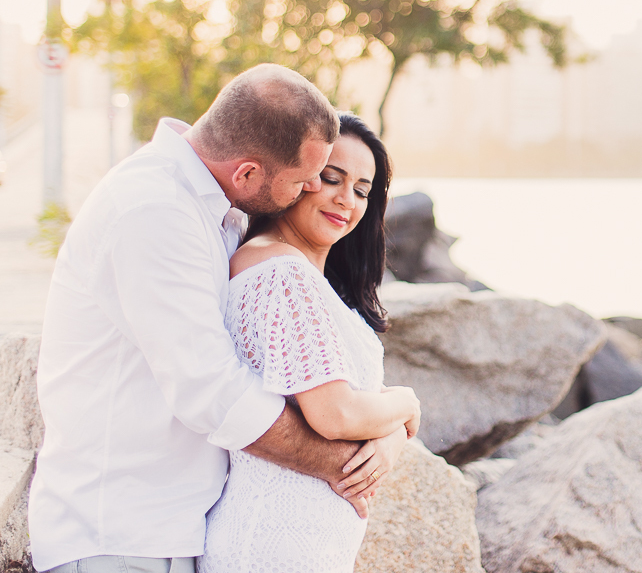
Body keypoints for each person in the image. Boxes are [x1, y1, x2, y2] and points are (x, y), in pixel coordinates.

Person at [31, 66, 406, 573]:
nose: (313, 192)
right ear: (248, 172)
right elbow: (212, 390)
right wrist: (346, 464)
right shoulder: (154, 210)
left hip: (175, 527)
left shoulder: (212, 212)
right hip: (117, 533)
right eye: (305, 182)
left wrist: (388, 433)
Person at [199, 112, 417, 571]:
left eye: (361, 190)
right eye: (331, 178)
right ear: (297, 177)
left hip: (302, 546)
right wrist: (409, 405)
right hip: (273, 546)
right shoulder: (280, 270)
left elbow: (340, 400)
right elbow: (335, 414)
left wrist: (392, 435)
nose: (346, 200)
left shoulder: (307, 278)